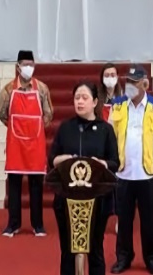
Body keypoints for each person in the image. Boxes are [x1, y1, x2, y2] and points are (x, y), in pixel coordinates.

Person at [49, 81, 120, 275]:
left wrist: (101, 163)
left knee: (95, 249)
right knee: (68, 251)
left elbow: (115, 162)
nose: (79, 102)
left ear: (95, 102)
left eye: (84, 98)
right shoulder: (66, 128)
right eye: (76, 98)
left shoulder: (105, 130)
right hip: (67, 199)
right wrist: (62, 160)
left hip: (98, 200)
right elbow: (52, 159)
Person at [108, 64, 153, 275]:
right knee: (123, 219)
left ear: (145, 84)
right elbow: (111, 135)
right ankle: (123, 257)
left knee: (150, 219)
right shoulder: (117, 106)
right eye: (128, 82)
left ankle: (152, 258)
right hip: (123, 172)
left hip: (147, 172)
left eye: (135, 82)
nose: (130, 86)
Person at [0, 50, 54, 237]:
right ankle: (13, 224)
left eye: (31, 64)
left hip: (36, 142)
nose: (28, 68)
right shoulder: (8, 90)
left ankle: (38, 225)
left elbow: (48, 113)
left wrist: (35, 127)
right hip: (15, 142)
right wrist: (16, 127)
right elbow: (2, 114)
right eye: (25, 64)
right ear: (18, 67)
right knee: (14, 184)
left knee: (36, 185)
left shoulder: (42, 89)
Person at [95, 62, 123, 233]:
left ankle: (121, 218)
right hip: (100, 145)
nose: (110, 78)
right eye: (107, 75)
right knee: (102, 183)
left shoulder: (124, 98)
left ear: (117, 77)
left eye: (113, 75)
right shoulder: (97, 98)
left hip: (119, 146)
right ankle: (100, 217)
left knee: (119, 185)